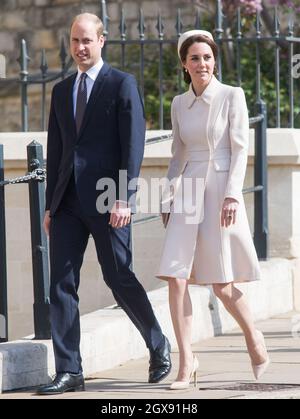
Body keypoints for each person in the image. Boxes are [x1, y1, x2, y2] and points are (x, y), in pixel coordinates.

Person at [36, 13, 171, 395]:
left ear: (102, 40)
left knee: (118, 277)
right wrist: (50, 205)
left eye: (87, 41)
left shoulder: (121, 84)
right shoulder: (62, 90)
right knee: (61, 284)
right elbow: (58, 149)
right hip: (67, 204)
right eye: (75, 41)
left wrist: (125, 198)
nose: (80, 48)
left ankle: (158, 343)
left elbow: (133, 145)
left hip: (109, 198)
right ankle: (69, 371)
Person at [157, 30, 270, 390]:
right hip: (188, 188)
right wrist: (167, 196)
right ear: (184, 64)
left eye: (207, 57)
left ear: (214, 61)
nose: (202, 63)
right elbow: (178, 154)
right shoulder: (178, 104)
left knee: (221, 284)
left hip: (221, 189)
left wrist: (233, 195)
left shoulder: (231, 96)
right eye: (194, 58)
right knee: (176, 276)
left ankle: (254, 336)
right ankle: (186, 361)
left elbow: (240, 150)